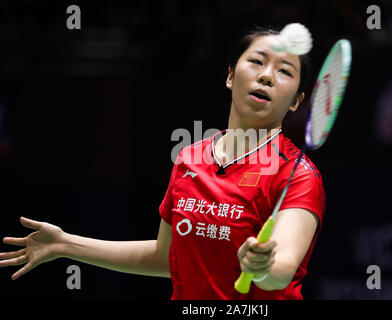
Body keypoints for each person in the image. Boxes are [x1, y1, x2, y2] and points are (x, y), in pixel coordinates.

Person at [0, 26, 325, 300]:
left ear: (297, 100)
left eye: (284, 71)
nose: (267, 76)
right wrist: (65, 244)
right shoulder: (190, 158)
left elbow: (282, 270)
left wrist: (262, 267)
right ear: (229, 76)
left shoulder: (298, 176)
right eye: (256, 61)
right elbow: (167, 257)